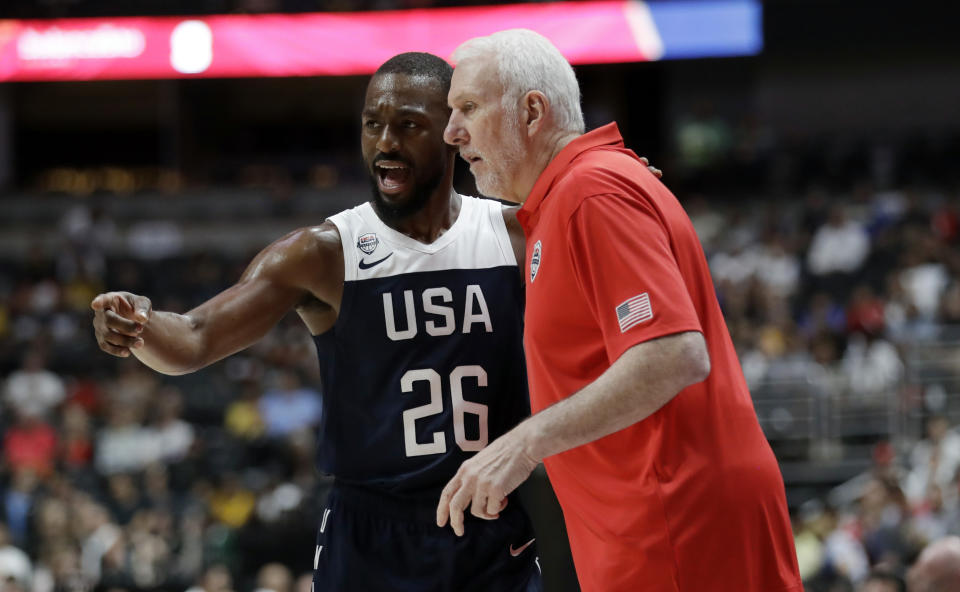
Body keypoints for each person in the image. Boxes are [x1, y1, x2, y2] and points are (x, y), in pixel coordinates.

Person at [91, 53, 541, 592]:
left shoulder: (518, 236)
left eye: (408, 125)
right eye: (372, 124)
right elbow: (193, 339)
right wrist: (138, 322)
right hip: (371, 532)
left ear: (450, 131)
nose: (385, 142)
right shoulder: (325, 252)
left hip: (490, 522)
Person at [436, 29, 803, 592]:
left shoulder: (591, 193)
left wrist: (522, 443)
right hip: (652, 522)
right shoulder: (573, 195)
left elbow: (673, 355)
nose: (451, 132)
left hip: (673, 521)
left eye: (468, 107)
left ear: (532, 111)